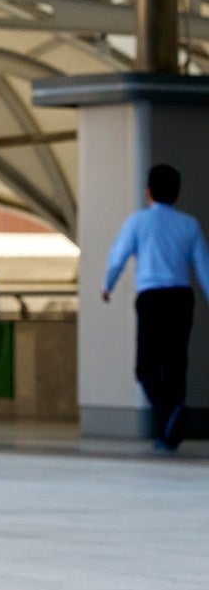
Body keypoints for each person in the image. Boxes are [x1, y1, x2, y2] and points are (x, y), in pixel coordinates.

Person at [102, 161, 209, 450]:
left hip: (151, 298)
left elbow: (118, 256)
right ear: (177, 193)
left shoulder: (138, 221)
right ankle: (168, 433)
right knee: (176, 364)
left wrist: (107, 285)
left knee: (146, 368)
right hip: (181, 298)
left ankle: (168, 414)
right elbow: (204, 266)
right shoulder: (190, 224)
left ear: (148, 191)